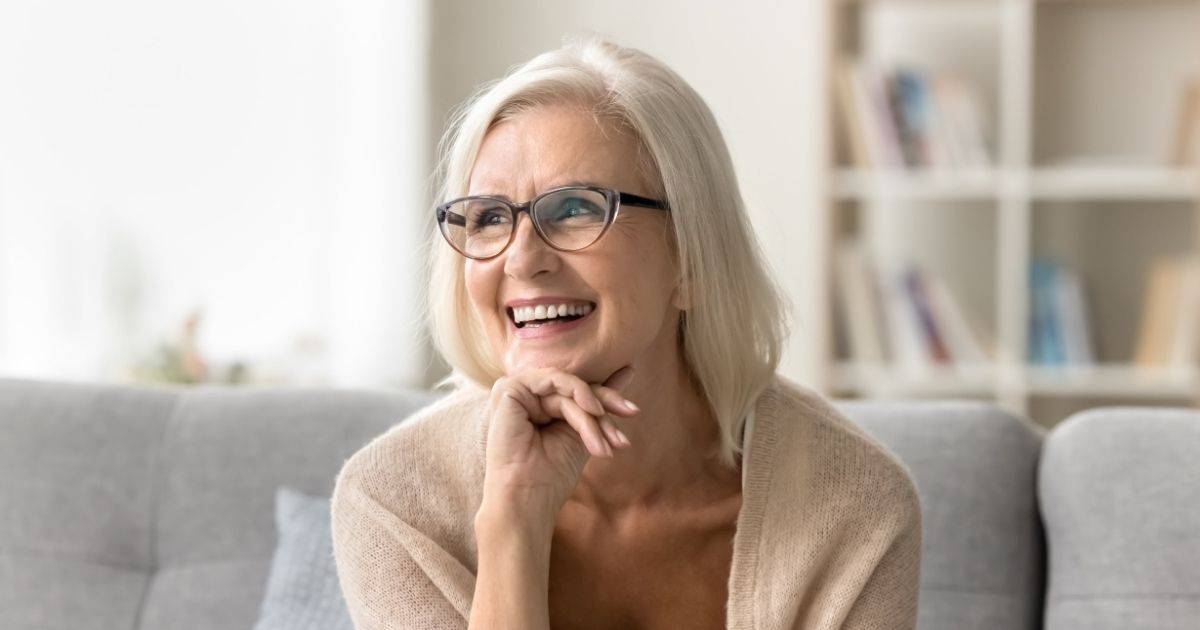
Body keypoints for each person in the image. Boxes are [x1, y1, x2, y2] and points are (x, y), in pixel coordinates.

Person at [331, 37, 922, 630]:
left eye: (575, 209)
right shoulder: (393, 502)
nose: (519, 260)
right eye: (488, 217)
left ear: (691, 258)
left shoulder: (856, 509)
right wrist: (513, 524)